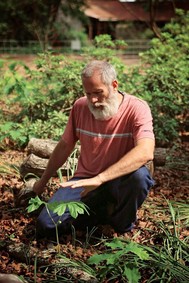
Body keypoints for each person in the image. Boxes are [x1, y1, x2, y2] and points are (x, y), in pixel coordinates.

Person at [32, 60, 155, 239]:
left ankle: (121, 226)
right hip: (84, 181)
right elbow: (65, 146)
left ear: (114, 85)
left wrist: (100, 178)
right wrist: (41, 183)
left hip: (118, 180)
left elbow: (145, 151)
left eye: (98, 93)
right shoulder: (80, 107)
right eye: (88, 93)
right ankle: (101, 213)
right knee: (46, 224)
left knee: (140, 177)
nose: (93, 100)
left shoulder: (137, 108)